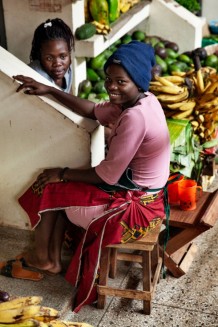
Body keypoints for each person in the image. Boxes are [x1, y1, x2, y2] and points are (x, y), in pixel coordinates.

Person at [12, 40, 171, 312]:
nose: (111, 87)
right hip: (143, 195)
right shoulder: (142, 101)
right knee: (58, 185)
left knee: (47, 187)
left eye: (120, 82)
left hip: (133, 210)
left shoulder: (134, 118)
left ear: (138, 82)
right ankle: (51, 258)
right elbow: (91, 110)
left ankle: (44, 259)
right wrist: (50, 90)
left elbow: (108, 175)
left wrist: (60, 174)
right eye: (109, 79)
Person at [29, 18, 74, 92]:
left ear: (69, 53)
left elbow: (71, 97)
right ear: (40, 56)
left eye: (62, 57)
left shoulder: (67, 68)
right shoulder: (35, 78)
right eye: (49, 58)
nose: (57, 63)